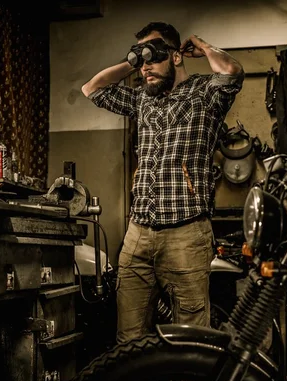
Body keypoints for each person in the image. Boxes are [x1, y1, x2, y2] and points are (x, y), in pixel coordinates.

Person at [81, 21, 244, 344]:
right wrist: (133, 59)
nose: (145, 68)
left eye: (153, 57)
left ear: (176, 56)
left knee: (192, 336)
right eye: (141, 62)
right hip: (138, 234)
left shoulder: (204, 94)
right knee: (128, 339)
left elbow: (231, 72)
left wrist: (204, 46)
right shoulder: (143, 100)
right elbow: (92, 89)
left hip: (186, 232)